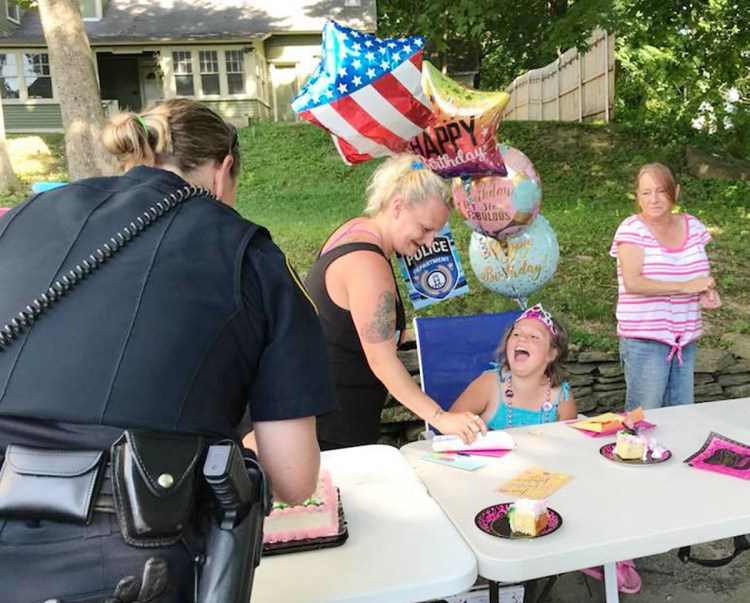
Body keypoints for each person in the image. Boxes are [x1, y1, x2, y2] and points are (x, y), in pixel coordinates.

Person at [0, 98, 336, 602]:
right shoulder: (251, 255)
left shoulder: (20, 218)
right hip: (128, 560)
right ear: (224, 171)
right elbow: (292, 478)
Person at [304, 154, 487, 450]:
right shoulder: (368, 264)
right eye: (425, 229)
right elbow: (382, 360)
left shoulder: (354, 229)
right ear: (398, 207)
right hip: (331, 426)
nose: (429, 243)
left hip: (322, 410)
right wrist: (440, 418)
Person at [610, 163, 721, 411]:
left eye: (661, 191)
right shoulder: (632, 229)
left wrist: (706, 290)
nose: (654, 199)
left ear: (676, 192)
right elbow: (633, 283)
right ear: (637, 196)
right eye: (646, 192)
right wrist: (685, 287)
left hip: (685, 339)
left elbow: (698, 274)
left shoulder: (693, 226)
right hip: (645, 340)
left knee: (683, 417)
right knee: (643, 419)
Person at [451, 304, 577, 426]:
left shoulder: (561, 397)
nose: (522, 338)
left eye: (534, 337)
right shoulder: (489, 385)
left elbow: (569, 442)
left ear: (551, 354)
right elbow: (450, 425)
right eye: (516, 334)